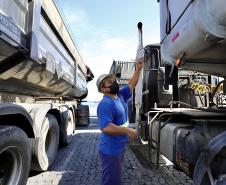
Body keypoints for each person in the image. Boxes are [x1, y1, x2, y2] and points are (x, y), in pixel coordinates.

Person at [96, 59, 144, 185]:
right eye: (110, 82)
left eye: (114, 81)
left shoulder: (120, 95)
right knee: (111, 181)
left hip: (119, 146)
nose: (114, 83)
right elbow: (106, 127)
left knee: (115, 176)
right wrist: (128, 130)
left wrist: (138, 69)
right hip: (111, 149)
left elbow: (132, 83)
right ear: (103, 89)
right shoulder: (105, 103)